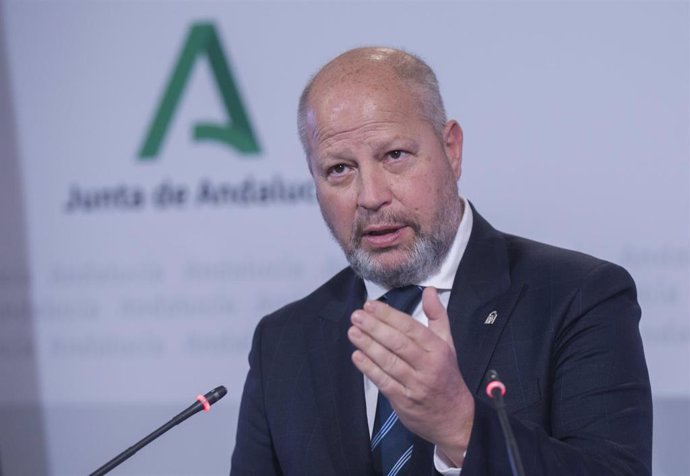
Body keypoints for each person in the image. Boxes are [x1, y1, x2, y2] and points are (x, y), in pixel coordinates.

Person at [230, 47, 652, 475]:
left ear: (451, 150)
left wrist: (459, 426)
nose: (371, 196)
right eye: (340, 169)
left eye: (394, 156)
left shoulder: (577, 296)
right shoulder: (282, 342)